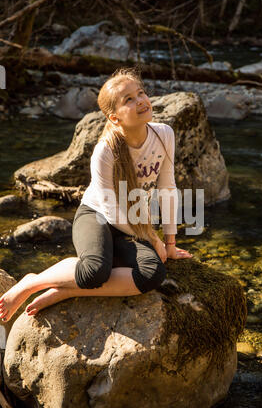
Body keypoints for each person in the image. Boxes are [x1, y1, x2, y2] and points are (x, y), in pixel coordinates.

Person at [0, 67, 193, 322]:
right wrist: (150, 237)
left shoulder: (164, 134)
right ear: (114, 118)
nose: (141, 101)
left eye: (141, 93)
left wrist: (169, 243)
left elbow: (167, 188)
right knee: (94, 271)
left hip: (132, 222)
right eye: (129, 100)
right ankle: (32, 283)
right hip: (97, 216)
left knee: (152, 273)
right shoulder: (105, 151)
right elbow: (111, 210)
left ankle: (65, 292)